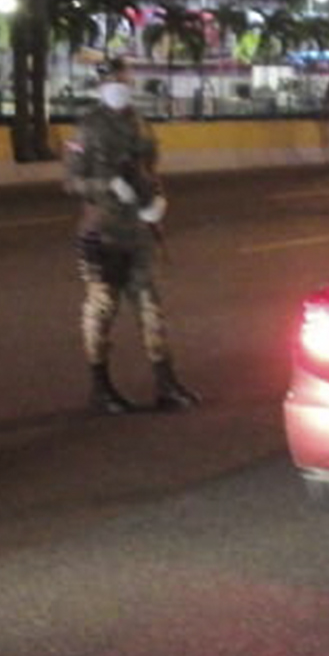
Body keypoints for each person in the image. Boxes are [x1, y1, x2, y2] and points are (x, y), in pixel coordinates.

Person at [64, 58, 199, 414]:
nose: (119, 86)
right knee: (102, 310)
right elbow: (71, 181)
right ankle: (101, 387)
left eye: (123, 79)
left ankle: (166, 383)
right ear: (101, 85)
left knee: (151, 309)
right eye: (112, 80)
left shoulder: (140, 125)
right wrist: (107, 184)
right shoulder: (87, 128)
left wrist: (157, 200)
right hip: (102, 232)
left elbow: (151, 170)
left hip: (137, 230)